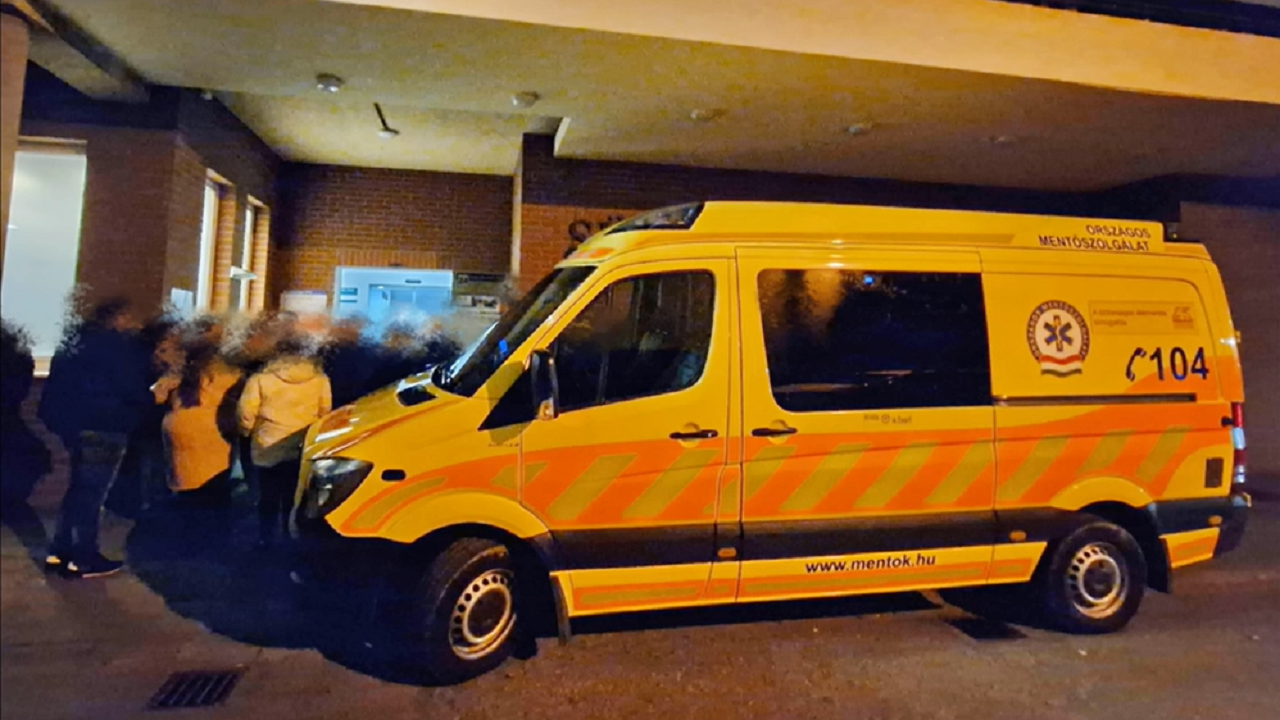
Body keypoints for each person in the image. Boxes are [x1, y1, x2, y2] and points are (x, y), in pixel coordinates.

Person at [38, 298, 154, 578]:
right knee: (91, 494)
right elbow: (130, 388)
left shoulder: (72, 345)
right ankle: (84, 557)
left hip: (75, 426)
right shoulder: (116, 349)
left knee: (78, 489)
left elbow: (56, 387)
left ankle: (60, 550)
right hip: (105, 425)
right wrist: (151, 397)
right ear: (118, 319)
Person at [153, 322, 244, 550]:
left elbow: (157, 396)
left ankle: (184, 540)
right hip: (213, 432)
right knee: (214, 491)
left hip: (178, 431)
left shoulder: (181, 372)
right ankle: (210, 543)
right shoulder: (231, 372)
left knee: (185, 491)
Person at [238, 337, 331, 546]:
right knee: (294, 492)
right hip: (301, 445)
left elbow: (246, 412)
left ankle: (266, 538)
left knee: (268, 494)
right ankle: (290, 534)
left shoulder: (260, 379)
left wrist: (247, 432)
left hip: (268, 444)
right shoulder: (320, 379)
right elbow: (325, 412)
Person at [0, 319, 51, 550]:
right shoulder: (18, 360)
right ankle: (45, 554)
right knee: (15, 507)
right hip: (15, 441)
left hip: (13, 441)